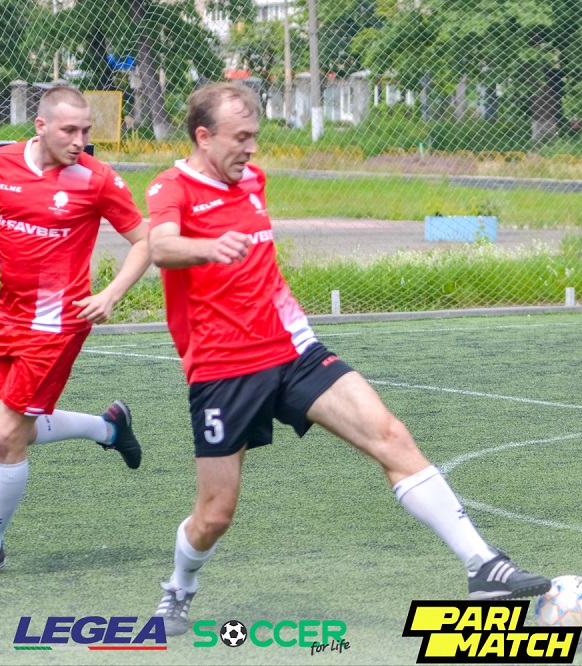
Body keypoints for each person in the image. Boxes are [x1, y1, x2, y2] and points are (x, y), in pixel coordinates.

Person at [146, 82, 550, 636]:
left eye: (255, 136)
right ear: (203, 136)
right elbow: (161, 246)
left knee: (390, 435)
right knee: (215, 514)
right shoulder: (171, 188)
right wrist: (207, 248)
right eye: (240, 138)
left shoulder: (252, 180)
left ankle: (483, 565)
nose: (251, 148)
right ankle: (179, 588)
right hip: (222, 369)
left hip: (292, 348)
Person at [0, 86, 149, 573]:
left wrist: (111, 294)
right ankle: (108, 427)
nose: (80, 140)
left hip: (59, 323)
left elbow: (145, 241)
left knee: (6, 435)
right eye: (69, 130)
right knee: (5, 427)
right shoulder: (0, 164)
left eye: (86, 130)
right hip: (9, 316)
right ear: (40, 127)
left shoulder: (97, 179)